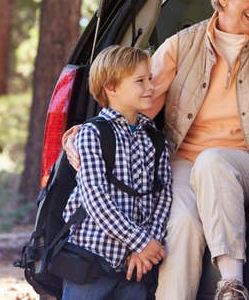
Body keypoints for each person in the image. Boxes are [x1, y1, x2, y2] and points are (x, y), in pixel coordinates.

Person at [63, 0, 249, 299]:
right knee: (180, 223)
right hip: (183, 161)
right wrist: (85, 133)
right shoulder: (180, 44)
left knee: (213, 162)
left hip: (245, 164)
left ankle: (231, 283)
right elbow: (135, 99)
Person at [60, 46, 173, 300]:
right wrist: (141, 242)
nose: (150, 87)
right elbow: (95, 198)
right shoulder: (92, 134)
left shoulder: (155, 139)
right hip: (92, 261)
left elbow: (163, 195)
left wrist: (147, 244)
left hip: (135, 268)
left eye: (150, 79)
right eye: (140, 81)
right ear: (111, 87)